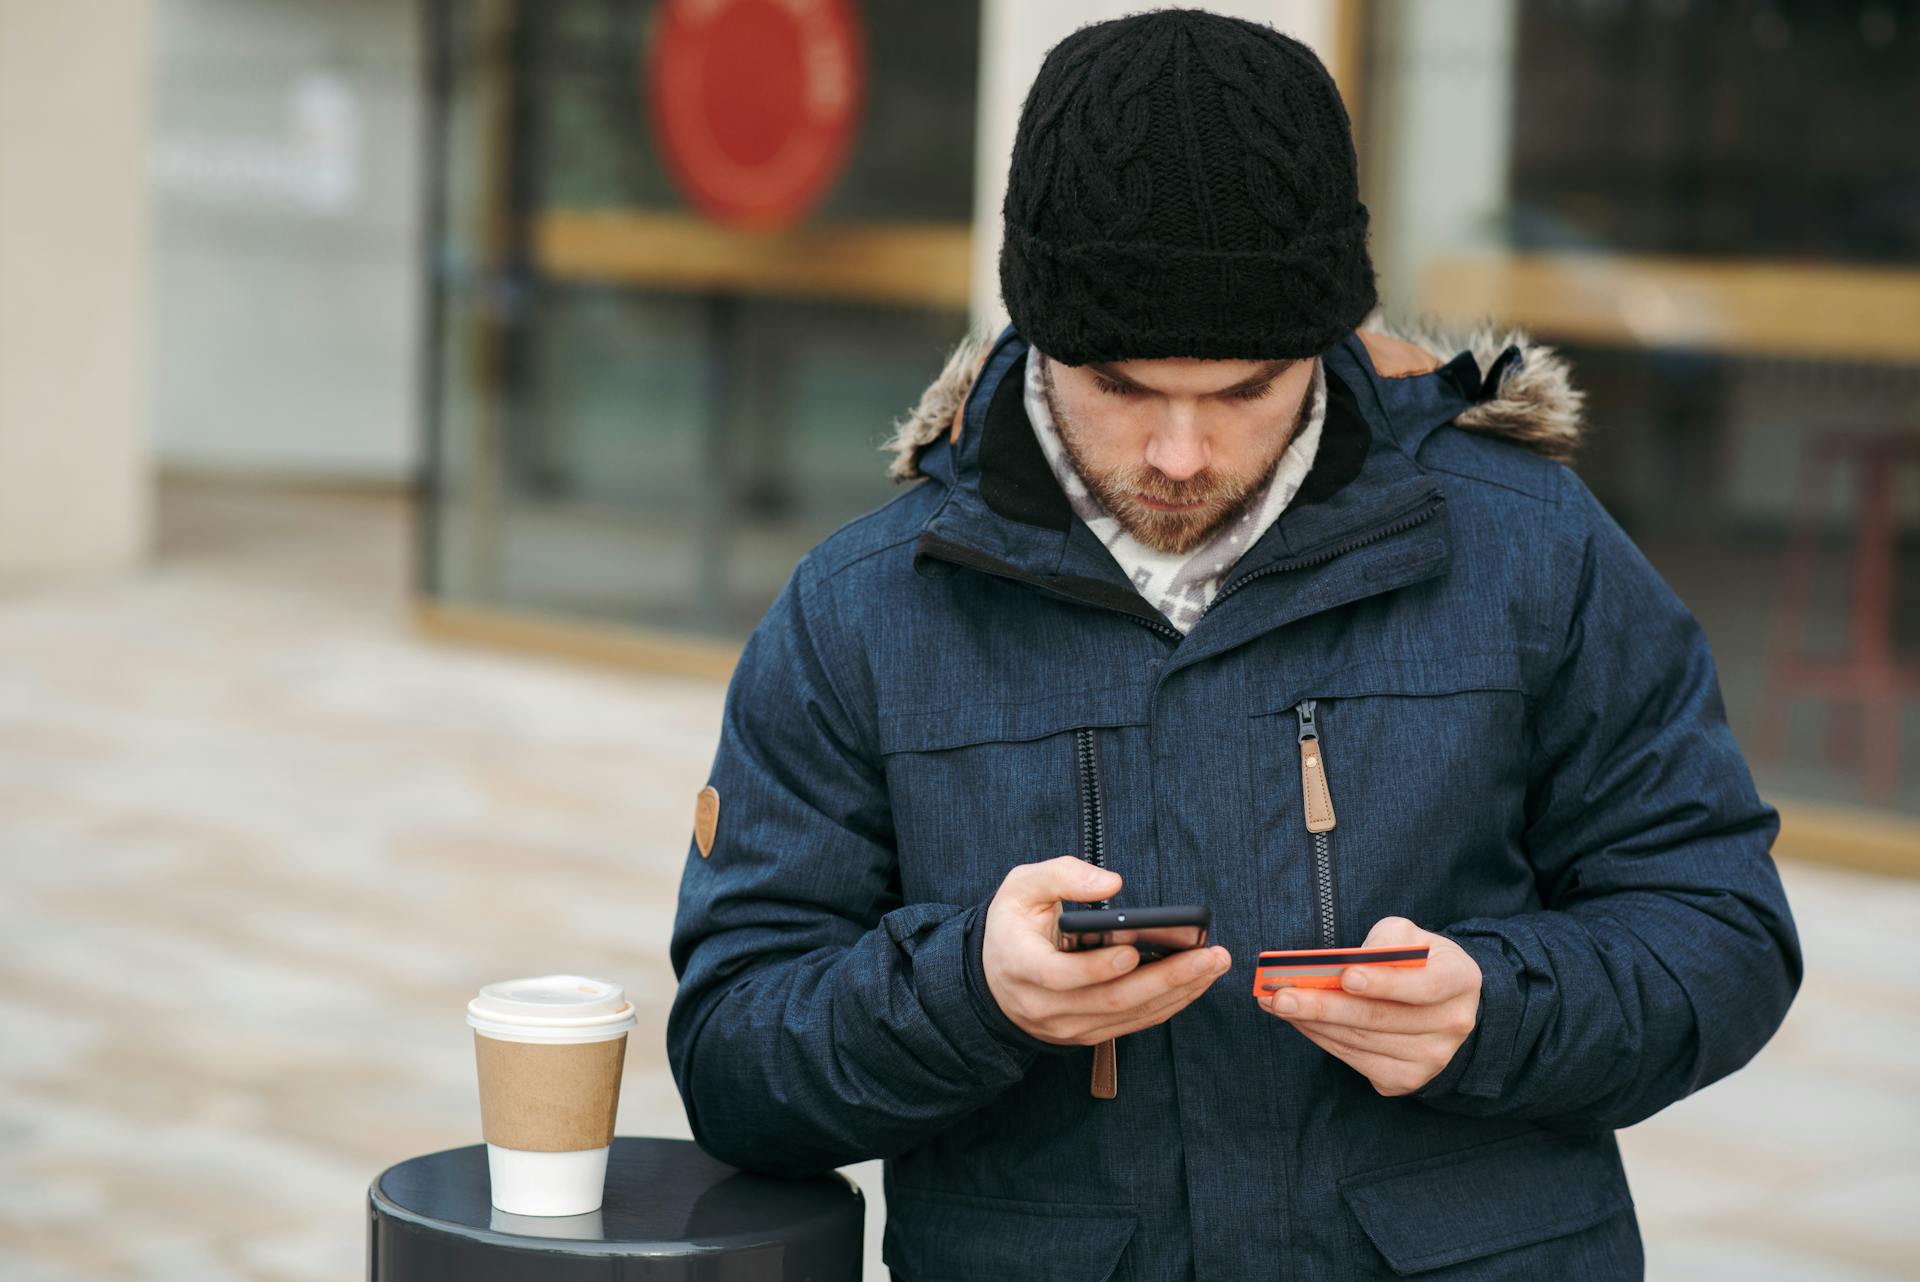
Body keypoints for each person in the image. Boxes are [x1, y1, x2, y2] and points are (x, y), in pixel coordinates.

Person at [666, 9, 1801, 1279]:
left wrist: (1501, 1009)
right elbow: (734, 1056)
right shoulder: (861, 607)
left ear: (1324, 341)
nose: (1181, 454)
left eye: (1247, 390)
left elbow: (1722, 928)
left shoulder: (1535, 549)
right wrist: (965, 993)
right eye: (1125, 388)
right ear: (1036, 332)